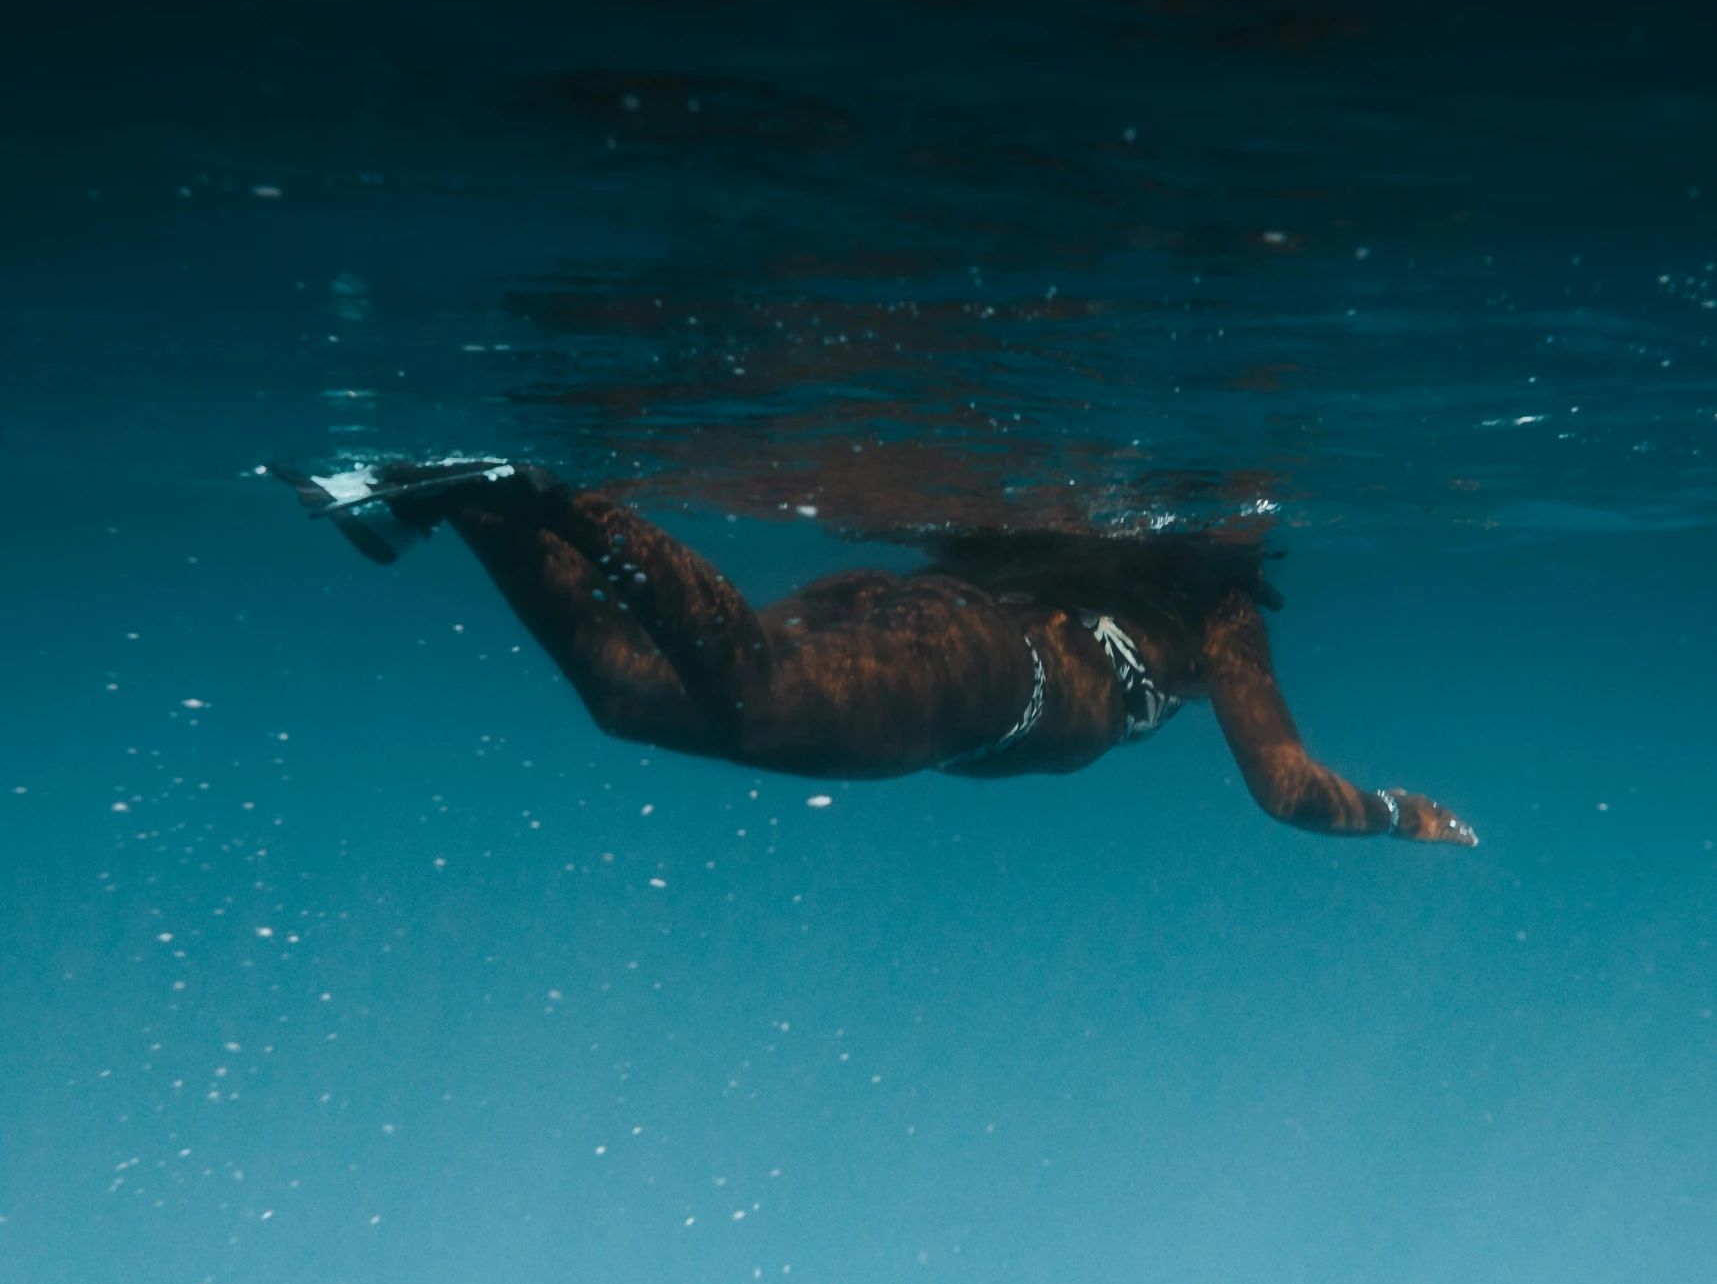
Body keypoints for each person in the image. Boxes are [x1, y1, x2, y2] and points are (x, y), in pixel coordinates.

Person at [272, 458, 1477, 844]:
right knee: (752, 704)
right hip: (995, 682)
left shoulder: (1126, 545)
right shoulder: (1222, 605)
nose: (1264, 526)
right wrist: (1391, 813)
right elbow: (1284, 790)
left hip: (928, 619)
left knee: (632, 699)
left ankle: (446, 501)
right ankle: (532, 488)